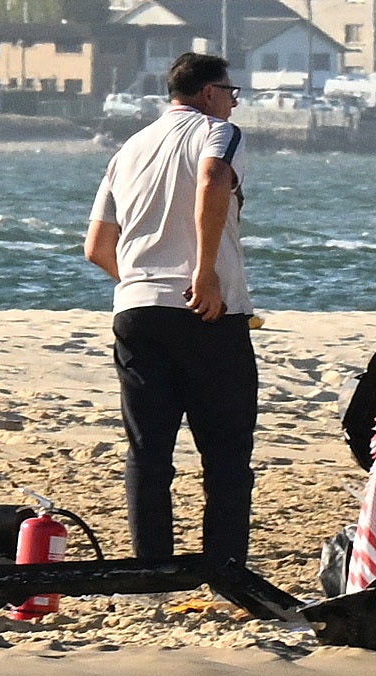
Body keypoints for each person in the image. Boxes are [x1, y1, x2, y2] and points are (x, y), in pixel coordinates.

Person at [84, 48, 256, 569]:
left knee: (148, 450)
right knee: (226, 452)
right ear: (209, 93)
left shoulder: (129, 148)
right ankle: (223, 566)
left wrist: (143, 283)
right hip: (207, 309)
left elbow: (97, 246)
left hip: (137, 308)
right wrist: (203, 274)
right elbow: (212, 179)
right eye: (230, 93)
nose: (233, 103)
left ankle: (151, 566)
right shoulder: (217, 132)